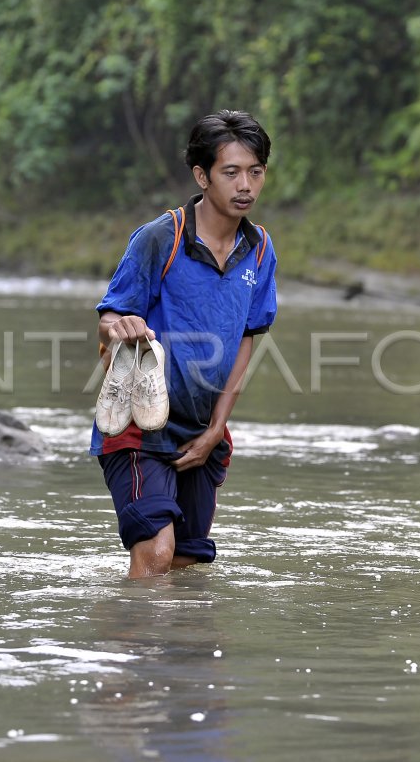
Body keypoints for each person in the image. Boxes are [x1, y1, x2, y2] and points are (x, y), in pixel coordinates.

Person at [91, 110, 278, 579]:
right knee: (155, 553)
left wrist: (218, 427)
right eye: (231, 172)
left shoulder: (259, 249)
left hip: (202, 432)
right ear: (202, 175)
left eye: (255, 172)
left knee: (183, 563)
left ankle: (156, 648)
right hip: (139, 426)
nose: (245, 186)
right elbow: (109, 316)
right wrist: (120, 328)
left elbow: (246, 340)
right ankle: (127, 648)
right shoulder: (161, 238)